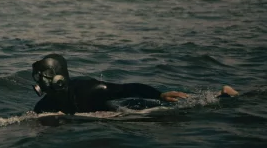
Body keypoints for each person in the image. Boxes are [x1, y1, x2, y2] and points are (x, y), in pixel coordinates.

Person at [30, 53, 238, 115]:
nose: (40, 82)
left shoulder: (89, 90)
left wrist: (159, 95)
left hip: (125, 108)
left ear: (58, 78)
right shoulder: (44, 105)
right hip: (107, 115)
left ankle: (222, 96)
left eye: (44, 76)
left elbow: (125, 88)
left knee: (175, 110)